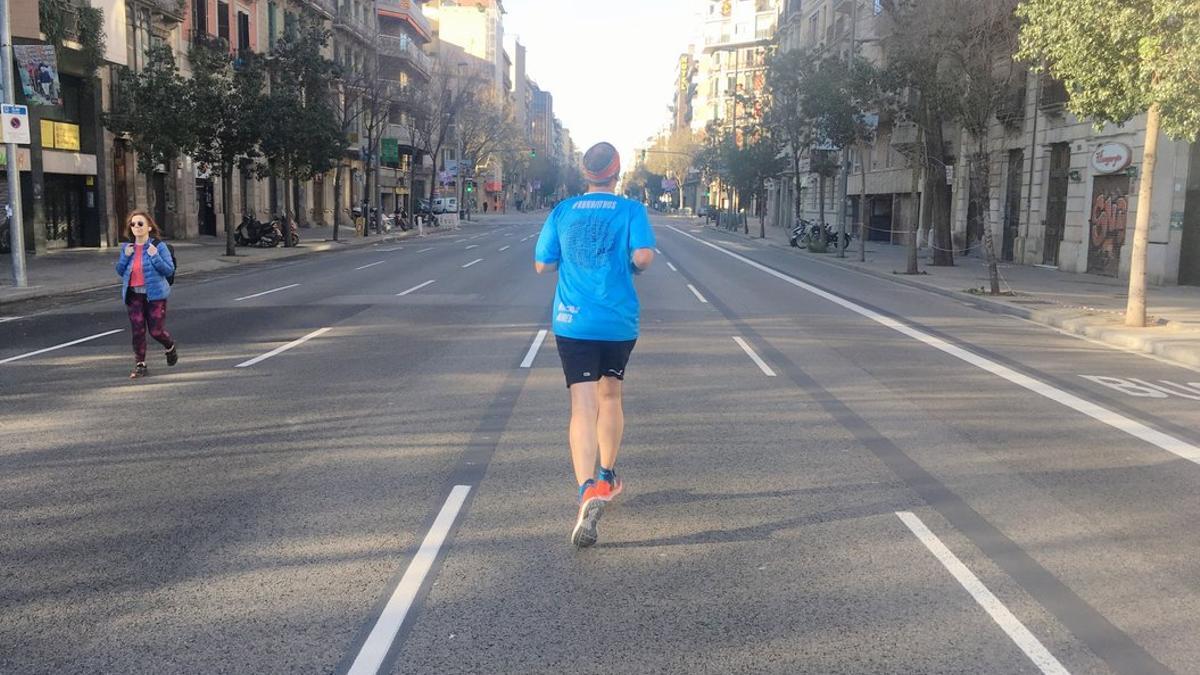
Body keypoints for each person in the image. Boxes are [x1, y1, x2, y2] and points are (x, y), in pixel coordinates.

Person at [534, 142, 656, 548]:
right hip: (618, 321)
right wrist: (629, 263)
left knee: (582, 405)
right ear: (617, 173)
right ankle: (607, 474)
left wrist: (569, 260)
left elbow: (542, 264)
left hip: (572, 320)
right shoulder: (630, 210)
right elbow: (643, 257)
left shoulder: (562, 211)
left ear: (584, 174)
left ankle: (586, 487)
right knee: (612, 396)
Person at [115, 210, 177, 379]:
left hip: (155, 296)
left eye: (140, 224)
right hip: (134, 295)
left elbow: (168, 269)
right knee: (138, 330)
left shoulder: (158, 246)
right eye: (133, 224)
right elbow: (120, 271)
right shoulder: (128, 248)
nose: (136, 227)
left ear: (149, 227)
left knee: (156, 331)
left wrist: (154, 256)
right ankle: (140, 364)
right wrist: (125, 257)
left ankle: (170, 346)